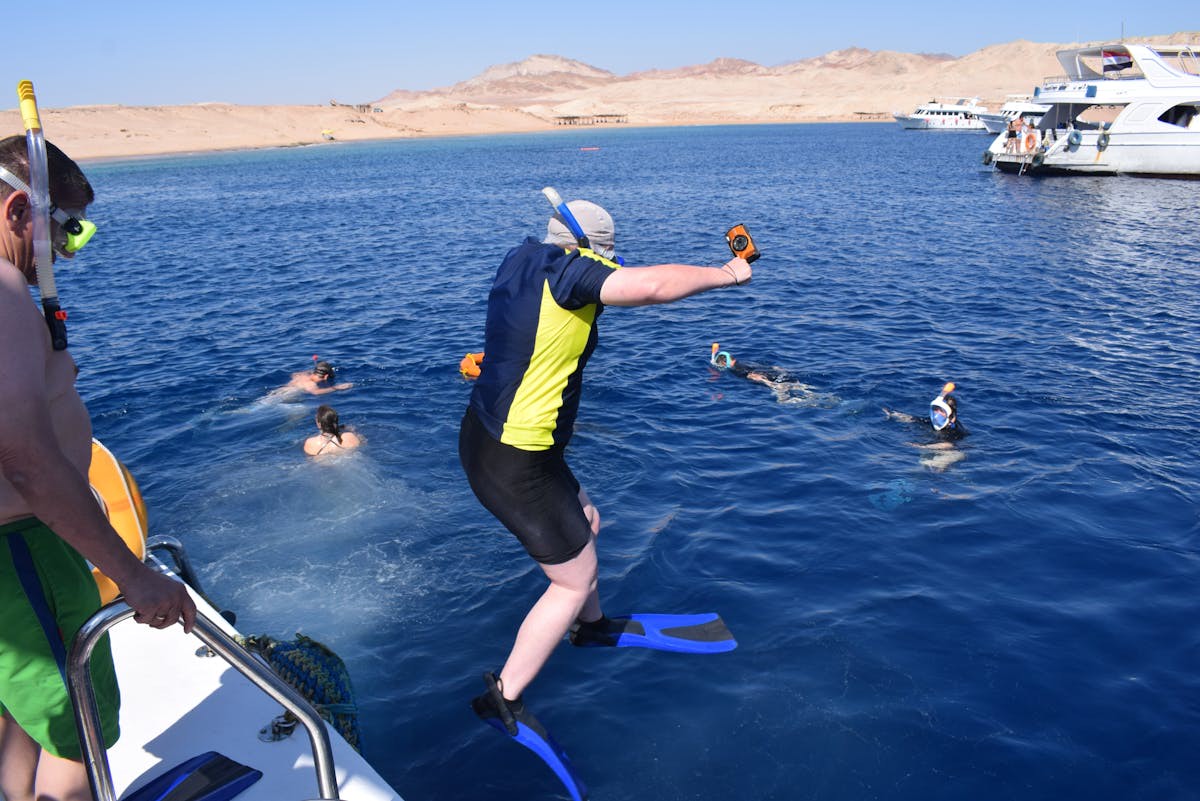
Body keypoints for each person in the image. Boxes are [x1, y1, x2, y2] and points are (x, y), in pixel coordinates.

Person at [459, 197, 750, 797]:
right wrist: (727, 273)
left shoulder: (522, 258)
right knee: (570, 577)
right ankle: (502, 699)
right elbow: (648, 288)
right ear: (590, 251)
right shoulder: (572, 272)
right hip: (516, 459)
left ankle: (591, 629)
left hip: (502, 439)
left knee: (587, 521)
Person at [0, 134, 197, 801]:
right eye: (68, 231)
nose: (67, 254)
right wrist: (134, 575)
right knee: (77, 731)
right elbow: (27, 462)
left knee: (20, 716)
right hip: (22, 557)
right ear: (20, 213)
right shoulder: (2, 297)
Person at [883, 382, 968, 471]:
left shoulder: (954, 430)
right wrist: (894, 415)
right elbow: (914, 420)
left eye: (941, 411)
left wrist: (921, 446)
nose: (936, 414)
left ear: (951, 416)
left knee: (929, 464)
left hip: (956, 451)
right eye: (935, 409)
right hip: (935, 447)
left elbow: (948, 444)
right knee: (923, 462)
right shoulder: (933, 422)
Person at [275, 359, 353, 397]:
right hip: (283, 397)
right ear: (326, 376)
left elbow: (293, 374)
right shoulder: (311, 384)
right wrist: (337, 387)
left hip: (276, 392)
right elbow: (315, 392)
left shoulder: (302, 375)